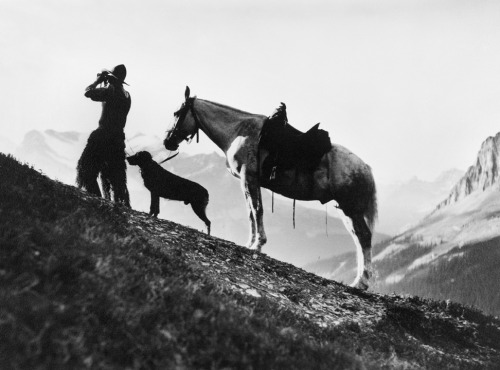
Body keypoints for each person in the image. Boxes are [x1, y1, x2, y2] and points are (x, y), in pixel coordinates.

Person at [76, 64, 131, 207]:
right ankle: (119, 207)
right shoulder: (127, 96)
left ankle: (97, 202)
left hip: (102, 136)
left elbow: (88, 92)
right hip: (118, 139)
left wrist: (98, 80)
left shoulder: (109, 91)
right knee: (116, 180)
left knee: (85, 169)